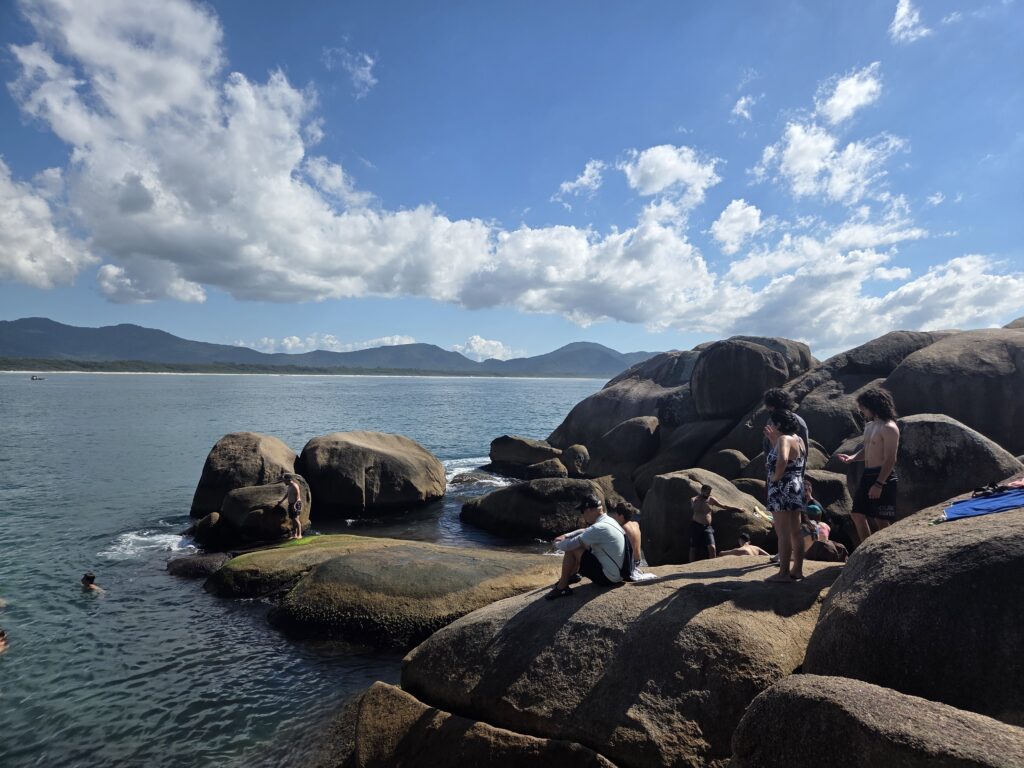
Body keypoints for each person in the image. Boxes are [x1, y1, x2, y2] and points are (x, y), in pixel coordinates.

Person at [837, 388, 900, 543]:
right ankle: (867, 549)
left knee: (881, 519)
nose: (861, 412)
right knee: (857, 514)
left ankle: (886, 549)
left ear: (873, 406)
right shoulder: (870, 426)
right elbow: (869, 449)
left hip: (882, 476)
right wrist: (852, 458)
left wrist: (879, 483)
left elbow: (891, 459)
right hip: (867, 474)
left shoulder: (889, 427)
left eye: (863, 408)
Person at [546, 494, 626, 600]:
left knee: (573, 548)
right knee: (582, 543)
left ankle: (562, 587)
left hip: (609, 578)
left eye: (582, 511)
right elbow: (585, 531)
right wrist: (566, 535)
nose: (582, 515)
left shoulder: (598, 528)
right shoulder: (609, 521)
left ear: (589, 510)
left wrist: (556, 542)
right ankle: (573, 575)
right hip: (620, 574)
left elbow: (569, 546)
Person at [764, 409, 807, 582]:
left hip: (782, 487)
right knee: (795, 532)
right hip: (796, 487)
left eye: (773, 423)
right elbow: (792, 459)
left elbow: (782, 460)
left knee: (783, 533)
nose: (771, 426)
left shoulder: (784, 439)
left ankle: (783, 574)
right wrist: (774, 441)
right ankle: (797, 570)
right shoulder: (798, 439)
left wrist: (775, 477)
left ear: (779, 424)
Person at [610, 507, 656, 581]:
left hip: (631, 564)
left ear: (621, 516)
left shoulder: (622, 528)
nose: (613, 517)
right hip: (639, 562)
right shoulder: (636, 524)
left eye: (615, 514)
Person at [689, 485, 723, 562]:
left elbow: (723, 506)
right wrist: (697, 501)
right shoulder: (695, 499)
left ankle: (712, 565)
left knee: (712, 547)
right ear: (702, 491)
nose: (708, 494)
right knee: (693, 547)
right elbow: (693, 506)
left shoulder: (711, 499)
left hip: (707, 527)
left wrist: (737, 508)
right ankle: (690, 565)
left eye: (709, 492)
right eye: (707, 492)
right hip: (696, 526)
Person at [278, 474, 304, 540]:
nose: (284, 482)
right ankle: (294, 534)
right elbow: (287, 494)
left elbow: (298, 496)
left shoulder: (295, 486)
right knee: (293, 519)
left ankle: (300, 534)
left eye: (284, 480)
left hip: (296, 504)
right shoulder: (289, 486)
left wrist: (295, 505)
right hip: (291, 504)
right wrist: (281, 501)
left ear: (288, 480)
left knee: (296, 519)